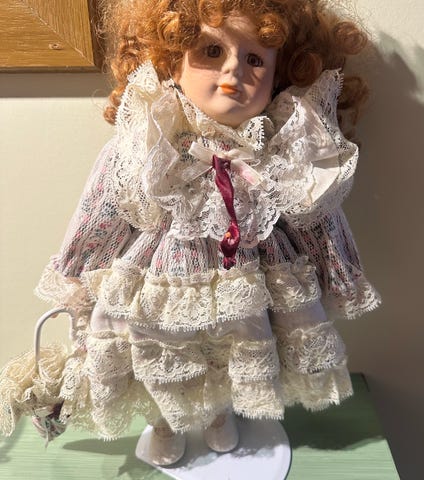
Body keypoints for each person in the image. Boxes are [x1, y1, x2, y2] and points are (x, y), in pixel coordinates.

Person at [33, 0, 380, 467]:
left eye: (255, 59)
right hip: (160, 278)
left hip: (251, 278)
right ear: (171, 62)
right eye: (212, 51)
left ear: (281, 74)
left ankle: (220, 415)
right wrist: (77, 276)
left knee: (237, 345)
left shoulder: (286, 147)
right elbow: (103, 209)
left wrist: (337, 273)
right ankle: (165, 422)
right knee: (158, 346)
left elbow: (316, 216)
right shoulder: (148, 140)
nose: (234, 71)